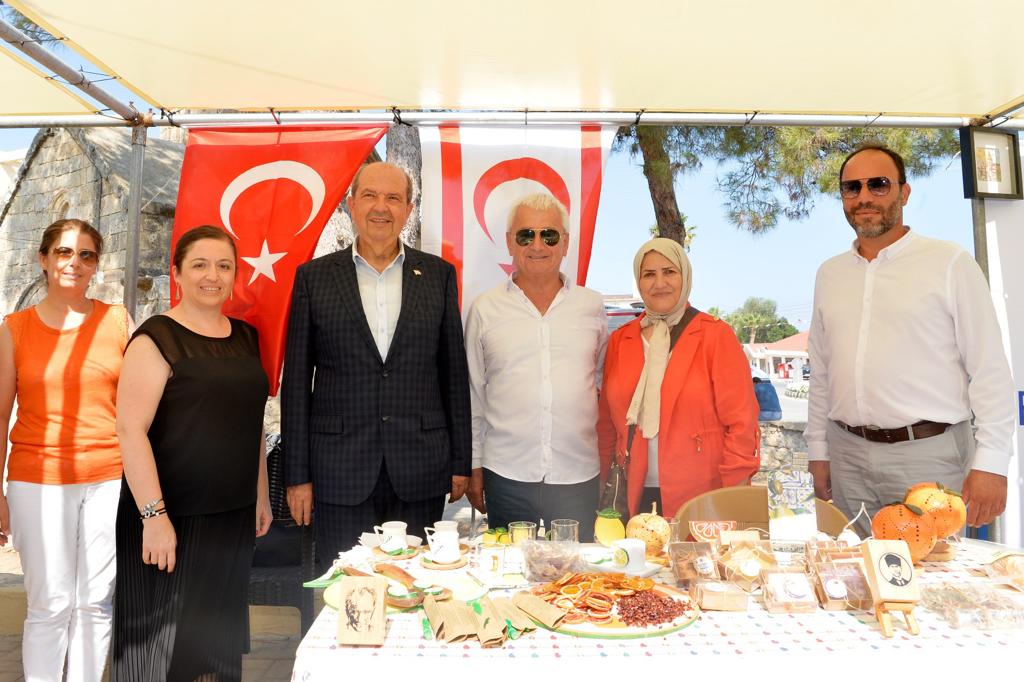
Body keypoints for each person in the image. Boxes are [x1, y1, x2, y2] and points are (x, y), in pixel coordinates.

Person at [805, 143, 1016, 533]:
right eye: (852, 187)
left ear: (904, 192)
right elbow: (820, 373)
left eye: (878, 184)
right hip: (847, 458)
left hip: (929, 458)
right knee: (856, 568)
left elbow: (989, 369)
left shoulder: (949, 263)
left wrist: (992, 463)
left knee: (937, 569)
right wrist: (818, 451)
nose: (864, 196)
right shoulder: (829, 275)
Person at [281, 162, 471, 571]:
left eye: (393, 198)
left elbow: (453, 375)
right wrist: (297, 475)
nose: (380, 207)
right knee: (346, 587)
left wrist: (460, 461)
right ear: (351, 204)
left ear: (408, 210)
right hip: (339, 470)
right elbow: (295, 383)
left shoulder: (437, 276)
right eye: (369, 195)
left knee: (417, 583)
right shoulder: (314, 278)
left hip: (419, 467)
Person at [111, 225, 271, 681]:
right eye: (200, 265)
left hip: (231, 519)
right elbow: (130, 430)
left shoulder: (246, 337)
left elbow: (252, 423)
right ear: (177, 272)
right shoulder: (155, 339)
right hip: (171, 521)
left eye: (224, 266)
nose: (212, 276)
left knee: (216, 653)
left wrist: (259, 494)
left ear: (235, 275)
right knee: (159, 655)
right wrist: (154, 517)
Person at [0, 218, 128, 681]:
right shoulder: (14, 329)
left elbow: (138, 405)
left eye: (86, 254)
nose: (75, 262)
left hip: (109, 478)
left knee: (95, 602)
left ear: (96, 264)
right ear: (44, 259)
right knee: (50, 603)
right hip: (38, 479)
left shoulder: (118, 320)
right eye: (64, 252)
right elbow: (0, 415)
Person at [464, 194, 608, 539]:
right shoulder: (484, 309)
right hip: (506, 473)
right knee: (509, 569)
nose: (538, 245)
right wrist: (474, 465)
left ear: (566, 243)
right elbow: (473, 395)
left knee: (576, 569)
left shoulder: (592, 307)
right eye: (526, 235)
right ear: (509, 243)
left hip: (577, 473)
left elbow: (602, 380)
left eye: (549, 235)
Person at [597, 238, 760, 518]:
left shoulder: (714, 335)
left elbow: (741, 421)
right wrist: (602, 481)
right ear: (639, 281)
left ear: (685, 276)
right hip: (632, 492)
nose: (659, 283)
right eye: (649, 274)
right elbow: (607, 424)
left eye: (669, 272)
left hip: (702, 494)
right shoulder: (620, 340)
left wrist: (734, 487)